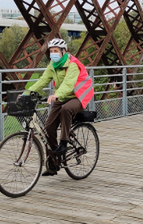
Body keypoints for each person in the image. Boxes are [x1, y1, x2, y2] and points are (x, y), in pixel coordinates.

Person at [26, 38, 94, 175]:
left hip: (78, 95)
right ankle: (54, 162)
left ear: (63, 51)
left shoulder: (73, 65)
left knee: (66, 109)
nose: (53, 54)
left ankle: (63, 143)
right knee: (48, 127)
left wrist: (56, 95)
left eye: (56, 51)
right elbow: (43, 81)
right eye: (51, 51)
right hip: (62, 96)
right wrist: (26, 93)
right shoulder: (53, 65)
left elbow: (69, 84)